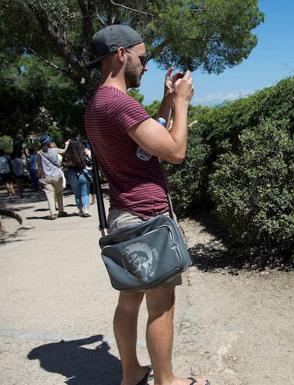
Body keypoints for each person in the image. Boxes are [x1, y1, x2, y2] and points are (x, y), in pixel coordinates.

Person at [84, 25, 203, 385]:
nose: (147, 67)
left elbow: (143, 143)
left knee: (129, 300)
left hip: (124, 215)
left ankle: (131, 372)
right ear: (121, 55)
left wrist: (166, 103)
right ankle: (166, 380)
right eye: (143, 58)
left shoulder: (97, 104)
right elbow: (174, 150)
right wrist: (181, 104)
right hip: (147, 217)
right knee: (161, 303)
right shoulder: (119, 103)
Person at [37, 135, 69, 219]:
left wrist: (39, 178)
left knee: (49, 195)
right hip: (57, 176)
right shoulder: (55, 150)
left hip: (47, 177)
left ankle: (53, 214)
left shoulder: (39, 153)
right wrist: (67, 144)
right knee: (59, 193)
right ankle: (61, 211)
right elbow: (64, 151)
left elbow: (39, 167)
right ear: (49, 143)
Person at [62, 140, 91, 217]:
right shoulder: (83, 153)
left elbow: (64, 164)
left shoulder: (67, 155)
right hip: (83, 173)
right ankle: (86, 210)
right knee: (85, 194)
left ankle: (80, 210)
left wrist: (66, 145)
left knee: (77, 195)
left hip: (72, 174)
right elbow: (89, 162)